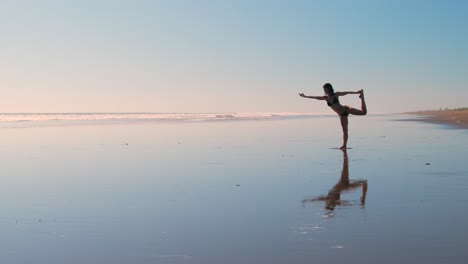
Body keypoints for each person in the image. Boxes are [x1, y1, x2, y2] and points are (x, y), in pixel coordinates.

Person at [299, 83, 367, 149]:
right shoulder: (326, 98)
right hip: (342, 115)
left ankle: (362, 97)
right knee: (345, 131)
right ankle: (344, 145)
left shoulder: (336, 94)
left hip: (346, 109)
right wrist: (305, 96)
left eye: (325, 89)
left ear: (329, 89)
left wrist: (356, 92)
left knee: (363, 112)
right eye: (324, 89)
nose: (324, 91)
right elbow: (315, 97)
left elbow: (346, 92)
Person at [302, 149, 367, 211]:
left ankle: (364, 195)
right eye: (327, 205)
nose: (326, 203)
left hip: (343, 184)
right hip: (344, 186)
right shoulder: (335, 202)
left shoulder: (328, 199)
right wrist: (357, 203)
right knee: (360, 180)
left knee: (346, 167)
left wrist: (308, 200)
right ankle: (364, 195)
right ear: (331, 205)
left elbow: (317, 199)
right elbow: (346, 203)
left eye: (326, 204)